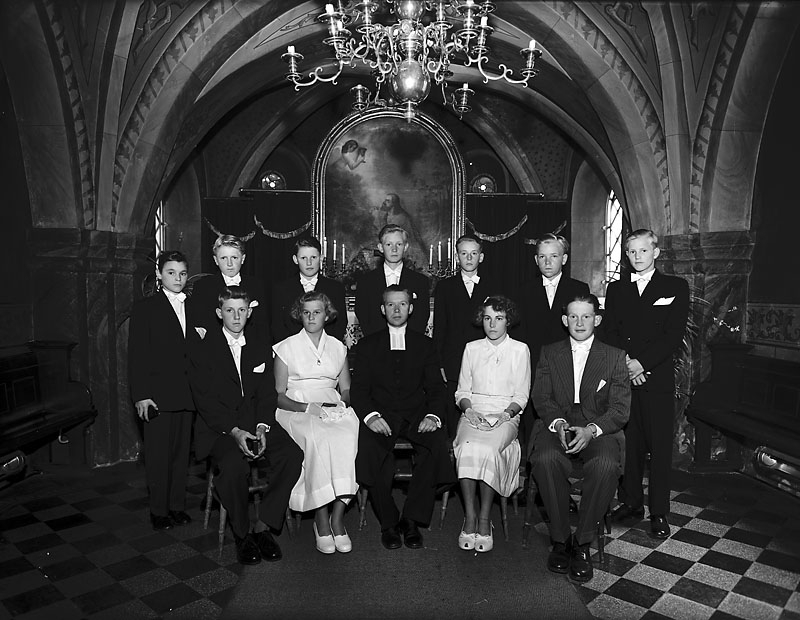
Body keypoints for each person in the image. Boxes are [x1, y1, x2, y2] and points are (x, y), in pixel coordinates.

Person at [189, 286, 300, 564]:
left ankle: (264, 527)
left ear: (249, 312)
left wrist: (262, 426)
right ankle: (242, 534)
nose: (236, 316)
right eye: (230, 310)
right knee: (233, 467)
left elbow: (267, 393)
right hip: (220, 428)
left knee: (292, 455)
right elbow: (204, 401)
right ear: (219, 313)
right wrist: (235, 432)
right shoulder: (203, 348)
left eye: (241, 310)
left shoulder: (261, 344)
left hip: (255, 423)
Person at [530, 294, 630, 583]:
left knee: (605, 465)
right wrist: (559, 423)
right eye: (573, 316)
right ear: (565, 320)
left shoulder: (614, 356)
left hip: (599, 428)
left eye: (586, 316)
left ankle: (583, 542)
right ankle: (561, 540)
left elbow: (620, 410)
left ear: (597, 319)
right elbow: (541, 397)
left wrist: (591, 430)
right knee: (545, 459)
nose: (580, 322)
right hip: (557, 424)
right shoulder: (550, 352)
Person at [351, 285, 456, 550]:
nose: (396, 310)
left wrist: (432, 415)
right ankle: (388, 522)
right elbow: (359, 390)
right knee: (372, 451)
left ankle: (411, 520)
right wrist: (371, 417)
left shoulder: (425, 344)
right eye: (390, 305)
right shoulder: (367, 345)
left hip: (416, 413)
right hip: (381, 414)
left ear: (411, 308)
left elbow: (436, 388)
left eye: (402, 304)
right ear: (382, 309)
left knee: (434, 446)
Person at [602, 229, 689, 539]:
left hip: (657, 379)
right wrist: (628, 364)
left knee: (660, 448)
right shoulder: (617, 289)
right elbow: (609, 332)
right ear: (626, 255)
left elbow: (673, 335)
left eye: (642, 250)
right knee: (631, 445)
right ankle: (631, 503)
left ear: (656, 252)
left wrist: (642, 364)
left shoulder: (675, 287)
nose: (637, 256)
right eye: (631, 251)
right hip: (625, 378)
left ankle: (659, 512)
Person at [273, 291, 359, 554]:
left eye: (317, 312)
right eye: (306, 312)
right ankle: (321, 518)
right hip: (296, 407)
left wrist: (342, 405)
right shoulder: (285, 347)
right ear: (299, 315)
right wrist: (307, 408)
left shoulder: (338, 347)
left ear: (327, 315)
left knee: (348, 434)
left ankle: (337, 518)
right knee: (318, 437)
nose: (311, 317)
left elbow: (345, 389)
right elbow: (279, 396)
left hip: (331, 404)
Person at [453, 296, 530, 553]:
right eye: (487, 318)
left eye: (499, 318)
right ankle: (470, 516)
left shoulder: (520, 350)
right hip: (473, 412)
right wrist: (469, 411)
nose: (492, 324)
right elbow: (462, 391)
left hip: (506, 414)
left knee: (487, 449)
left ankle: (485, 519)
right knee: (466, 446)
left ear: (508, 320)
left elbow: (521, 395)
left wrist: (505, 415)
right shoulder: (471, 348)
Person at [128, 250, 198, 531]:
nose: (177, 279)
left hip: (187, 394)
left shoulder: (194, 306)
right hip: (157, 395)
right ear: (159, 274)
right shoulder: (145, 308)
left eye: (182, 273)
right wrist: (141, 395)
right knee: (158, 456)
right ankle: (159, 510)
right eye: (171, 273)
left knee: (181, 456)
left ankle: (177, 506)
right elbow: (137, 355)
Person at [433, 235, 496, 437]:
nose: (469, 258)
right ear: (457, 257)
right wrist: (439, 363)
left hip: (485, 358)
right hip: (453, 360)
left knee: (482, 410)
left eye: (474, 253)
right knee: (453, 414)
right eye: (464, 253)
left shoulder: (493, 285)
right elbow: (439, 328)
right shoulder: (445, 287)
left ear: (481, 257)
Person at [188, 234, 269, 350]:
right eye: (223, 258)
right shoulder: (203, 287)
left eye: (234, 258)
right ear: (216, 260)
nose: (229, 263)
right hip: (215, 349)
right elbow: (200, 325)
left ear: (243, 259)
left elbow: (263, 326)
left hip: (251, 348)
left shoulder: (257, 286)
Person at [354, 224, 430, 338]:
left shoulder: (420, 281)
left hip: (410, 342)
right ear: (380, 247)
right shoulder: (366, 281)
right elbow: (363, 314)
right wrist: (377, 341)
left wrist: (409, 340)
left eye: (399, 244)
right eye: (389, 244)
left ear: (405, 247)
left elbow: (422, 316)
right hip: (376, 342)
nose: (394, 249)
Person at [271, 237, 347, 344]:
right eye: (303, 258)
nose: (309, 263)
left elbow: (340, 323)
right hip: (292, 348)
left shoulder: (335, 288)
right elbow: (277, 325)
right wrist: (291, 347)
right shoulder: (281, 289)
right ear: (295, 259)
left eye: (313, 257)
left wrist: (325, 346)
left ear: (321, 258)